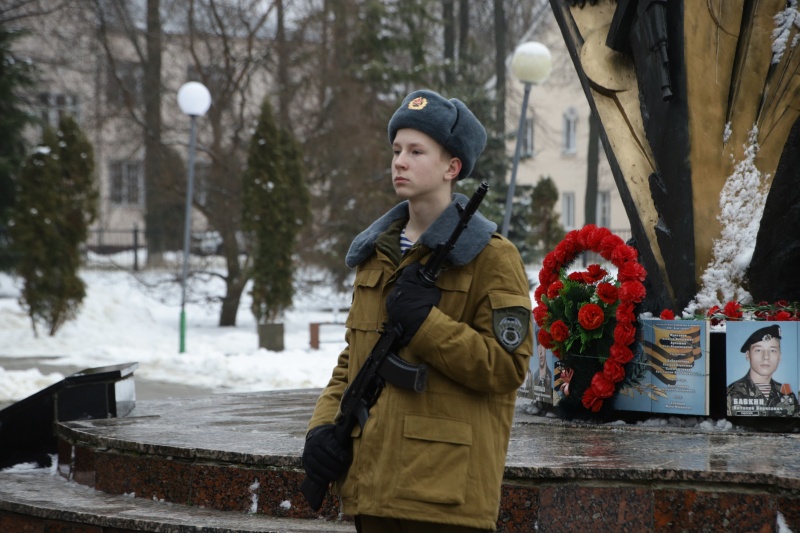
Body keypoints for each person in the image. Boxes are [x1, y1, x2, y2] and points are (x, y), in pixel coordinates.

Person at [302, 89, 533, 532]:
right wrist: (321, 428)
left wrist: (426, 324)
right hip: (373, 489)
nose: (400, 162)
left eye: (416, 151)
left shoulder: (490, 257)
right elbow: (354, 359)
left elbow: (507, 366)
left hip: (443, 494)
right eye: (396, 150)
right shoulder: (377, 254)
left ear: (452, 167)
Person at [727, 324, 799, 417]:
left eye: (772, 350)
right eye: (758, 350)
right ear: (748, 355)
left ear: (779, 357)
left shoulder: (788, 395)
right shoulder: (731, 394)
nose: (766, 357)